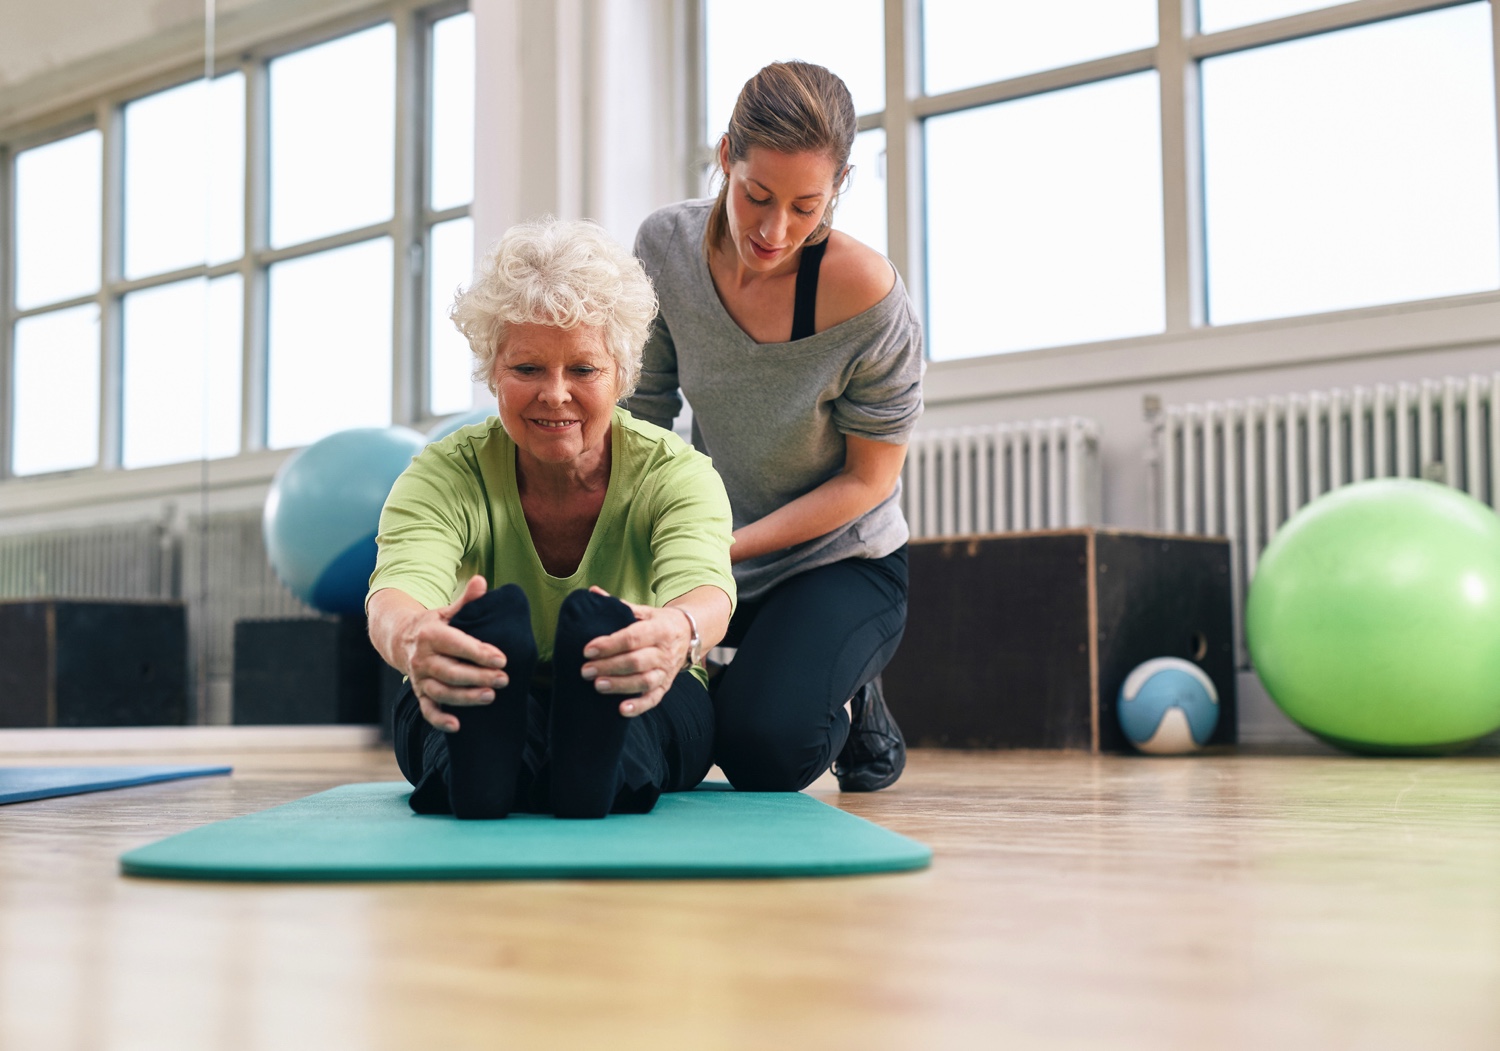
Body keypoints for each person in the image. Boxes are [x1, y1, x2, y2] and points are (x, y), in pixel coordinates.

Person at [368, 218, 736, 820]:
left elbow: (706, 590)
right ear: (493, 373)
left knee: (632, 725)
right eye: (527, 369)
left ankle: (578, 761)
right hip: (482, 680)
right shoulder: (443, 472)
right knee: (457, 714)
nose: (555, 394)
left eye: (584, 370)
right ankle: (508, 766)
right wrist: (415, 642)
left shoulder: (676, 473)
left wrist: (676, 634)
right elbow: (394, 594)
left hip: (637, 678)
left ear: (622, 375)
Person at [625, 61, 924, 793]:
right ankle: (775, 667)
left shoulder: (869, 297)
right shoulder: (665, 248)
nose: (774, 228)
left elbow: (869, 479)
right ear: (727, 156)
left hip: (840, 560)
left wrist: (724, 547)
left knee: (764, 752)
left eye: (805, 206)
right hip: (715, 554)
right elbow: (645, 413)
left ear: (840, 186)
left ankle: (850, 688)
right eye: (757, 195)